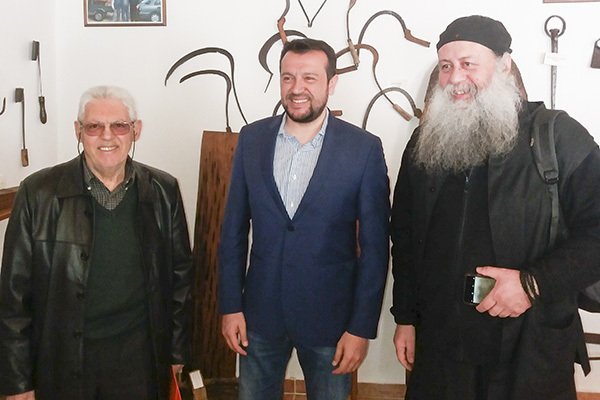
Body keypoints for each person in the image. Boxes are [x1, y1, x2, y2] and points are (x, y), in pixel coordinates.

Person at [391, 15, 600, 400]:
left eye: (468, 63)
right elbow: (404, 237)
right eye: (446, 66)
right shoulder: (425, 142)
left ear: (504, 65)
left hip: (527, 348)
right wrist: (404, 318)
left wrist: (532, 284)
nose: (455, 78)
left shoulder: (557, 135)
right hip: (441, 346)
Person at [219, 38, 390, 400]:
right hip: (259, 316)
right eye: (288, 77)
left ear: (331, 82)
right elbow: (232, 231)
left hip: (332, 321)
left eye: (309, 78)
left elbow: (376, 249)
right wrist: (230, 306)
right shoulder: (252, 139)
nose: (297, 88)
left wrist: (361, 327)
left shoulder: (363, 149)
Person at [0, 85, 194, 400]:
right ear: (78, 131)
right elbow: (13, 297)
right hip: (61, 365)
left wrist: (176, 353)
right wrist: (18, 383)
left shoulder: (163, 191)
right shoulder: (38, 194)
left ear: (136, 131)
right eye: (94, 126)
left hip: (140, 364)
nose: (107, 136)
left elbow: (181, 280)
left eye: (119, 125)